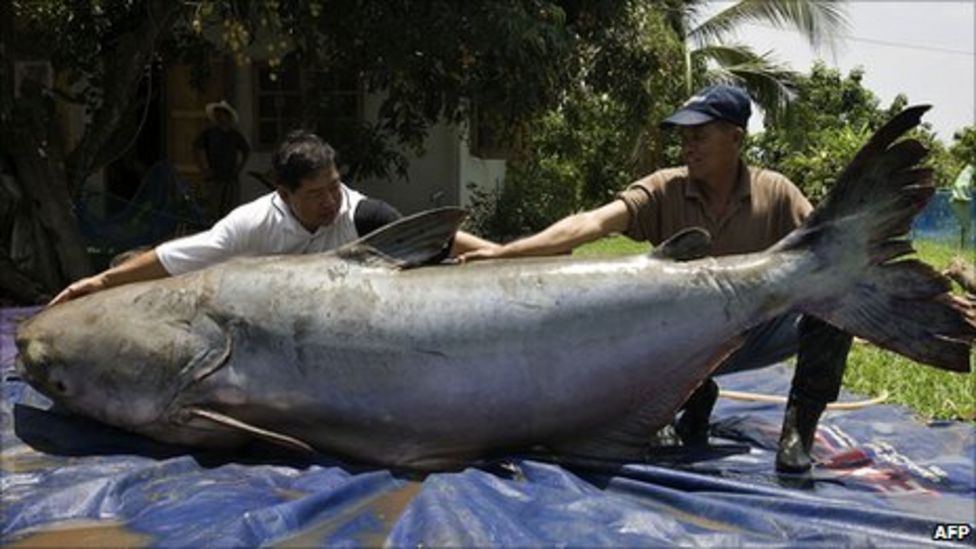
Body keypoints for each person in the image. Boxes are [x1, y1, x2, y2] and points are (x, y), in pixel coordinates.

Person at [462, 85, 853, 473]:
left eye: (699, 135)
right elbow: (592, 222)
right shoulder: (665, 189)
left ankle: (797, 432)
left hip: (754, 330)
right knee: (620, 309)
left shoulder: (777, 192)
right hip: (676, 343)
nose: (688, 146)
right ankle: (684, 399)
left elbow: (826, 247)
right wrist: (503, 253)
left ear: (735, 137)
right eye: (684, 138)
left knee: (836, 298)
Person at [51, 130, 498, 306]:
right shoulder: (249, 226)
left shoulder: (363, 214)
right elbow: (173, 258)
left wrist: (506, 255)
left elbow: (435, 237)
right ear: (283, 194)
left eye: (335, 186)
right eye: (316, 193)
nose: (331, 201)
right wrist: (100, 283)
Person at [194, 99, 251, 218]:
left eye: (222, 114)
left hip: (231, 177)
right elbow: (197, 149)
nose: (219, 117)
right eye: (217, 114)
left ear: (227, 116)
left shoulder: (234, 135)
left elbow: (246, 151)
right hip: (214, 177)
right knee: (213, 210)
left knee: (230, 210)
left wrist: (239, 168)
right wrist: (204, 168)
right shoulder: (209, 133)